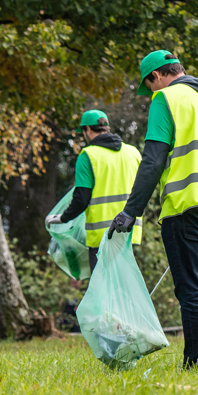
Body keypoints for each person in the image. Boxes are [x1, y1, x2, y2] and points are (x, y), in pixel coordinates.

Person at [107, 50, 198, 371]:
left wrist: (131, 212)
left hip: (187, 206)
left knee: (192, 288)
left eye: (150, 86)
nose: (151, 93)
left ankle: (196, 364)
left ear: (156, 76)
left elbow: (153, 161)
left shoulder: (166, 99)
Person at [46, 110, 143, 273]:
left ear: (88, 129)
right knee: (124, 286)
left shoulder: (88, 156)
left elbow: (81, 199)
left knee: (102, 287)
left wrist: (63, 218)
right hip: (129, 235)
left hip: (102, 238)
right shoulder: (133, 153)